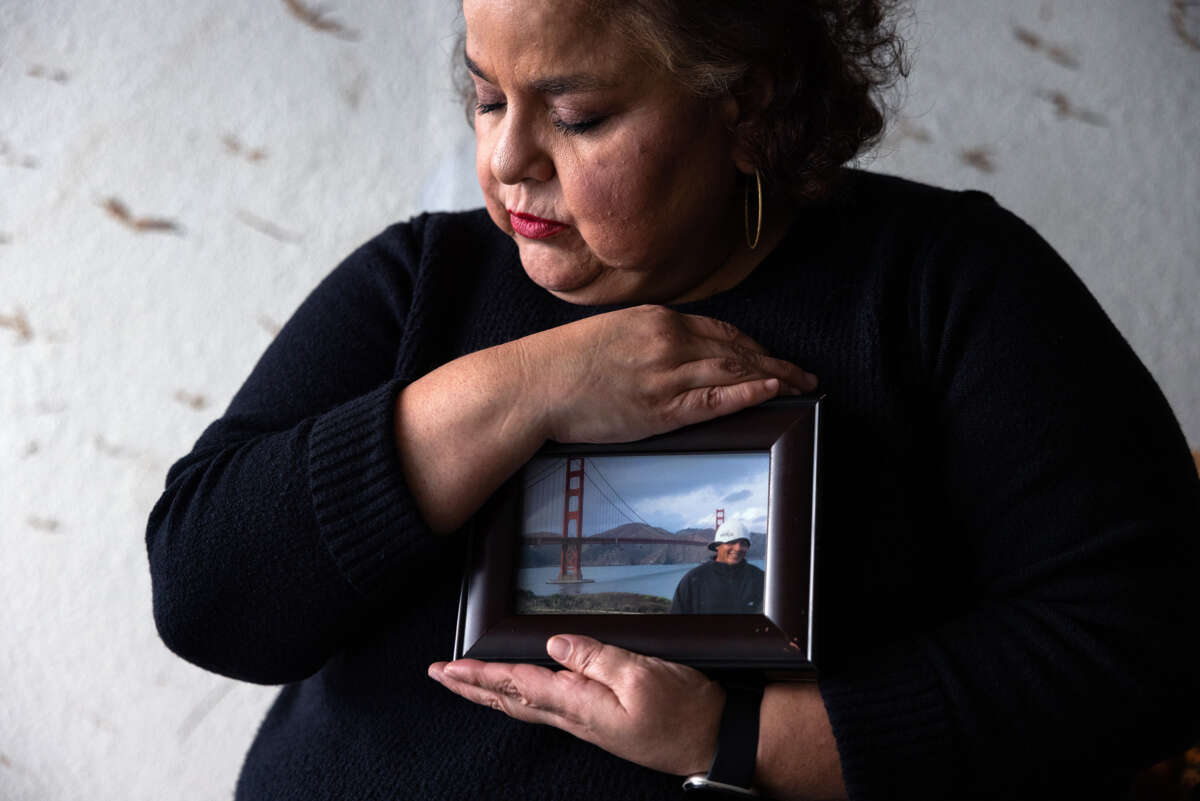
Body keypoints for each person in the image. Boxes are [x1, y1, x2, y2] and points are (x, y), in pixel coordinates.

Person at [145, 0, 1200, 799]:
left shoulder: (948, 286)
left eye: (575, 114)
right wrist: (529, 386)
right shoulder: (421, 281)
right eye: (486, 98)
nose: (509, 160)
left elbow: (1144, 639)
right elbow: (206, 597)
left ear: (745, 106)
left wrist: (740, 742)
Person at [670, 520, 765, 614]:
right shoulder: (693, 580)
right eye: (731, 542)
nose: (738, 548)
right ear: (717, 546)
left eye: (743, 543)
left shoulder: (761, 579)